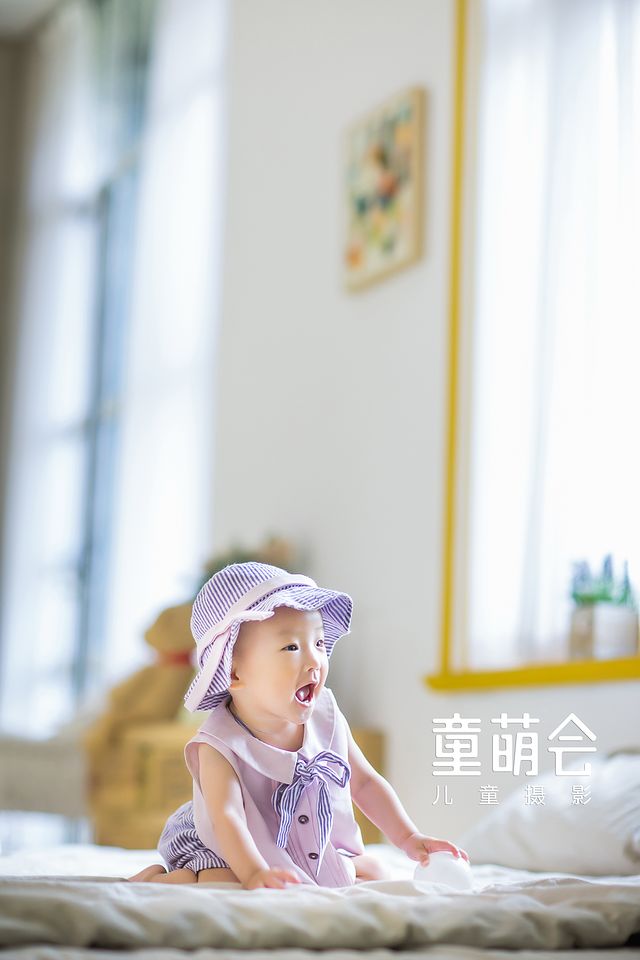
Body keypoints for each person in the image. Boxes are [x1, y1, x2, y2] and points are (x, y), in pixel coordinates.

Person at [128, 562, 469, 889]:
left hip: (297, 840)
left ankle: (294, 867)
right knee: (221, 882)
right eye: (291, 646)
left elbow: (364, 782)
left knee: (373, 870)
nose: (314, 660)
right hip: (224, 842)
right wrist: (254, 873)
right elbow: (227, 817)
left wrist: (409, 838)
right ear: (233, 672)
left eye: (318, 643)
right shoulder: (219, 743)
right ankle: (157, 879)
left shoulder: (326, 717)